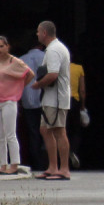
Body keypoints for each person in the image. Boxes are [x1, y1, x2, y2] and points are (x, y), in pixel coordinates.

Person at [0, 35, 34, 175]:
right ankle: (3, 164)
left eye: (2, 46)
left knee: (10, 133)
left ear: (8, 46)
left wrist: (18, 89)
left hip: (9, 100)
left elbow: (29, 74)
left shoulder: (15, 62)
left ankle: (14, 163)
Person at [31, 20, 72, 180]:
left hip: (56, 99)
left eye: (38, 32)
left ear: (44, 33)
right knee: (45, 130)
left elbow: (53, 74)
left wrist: (38, 84)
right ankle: (53, 167)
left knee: (59, 131)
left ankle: (64, 169)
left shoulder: (54, 50)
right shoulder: (52, 49)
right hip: (50, 99)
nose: (37, 34)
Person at [19, 40, 46, 172]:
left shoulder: (21, 59)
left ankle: (36, 163)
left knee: (33, 132)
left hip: (27, 101)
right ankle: (48, 162)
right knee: (48, 132)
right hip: (44, 100)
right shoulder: (45, 56)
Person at [68, 59, 87, 169]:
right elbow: (82, 90)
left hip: (63, 101)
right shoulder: (79, 68)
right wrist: (83, 106)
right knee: (75, 130)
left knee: (63, 130)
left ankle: (63, 157)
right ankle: (73, 150)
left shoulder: (60, 68)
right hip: (75, 100)